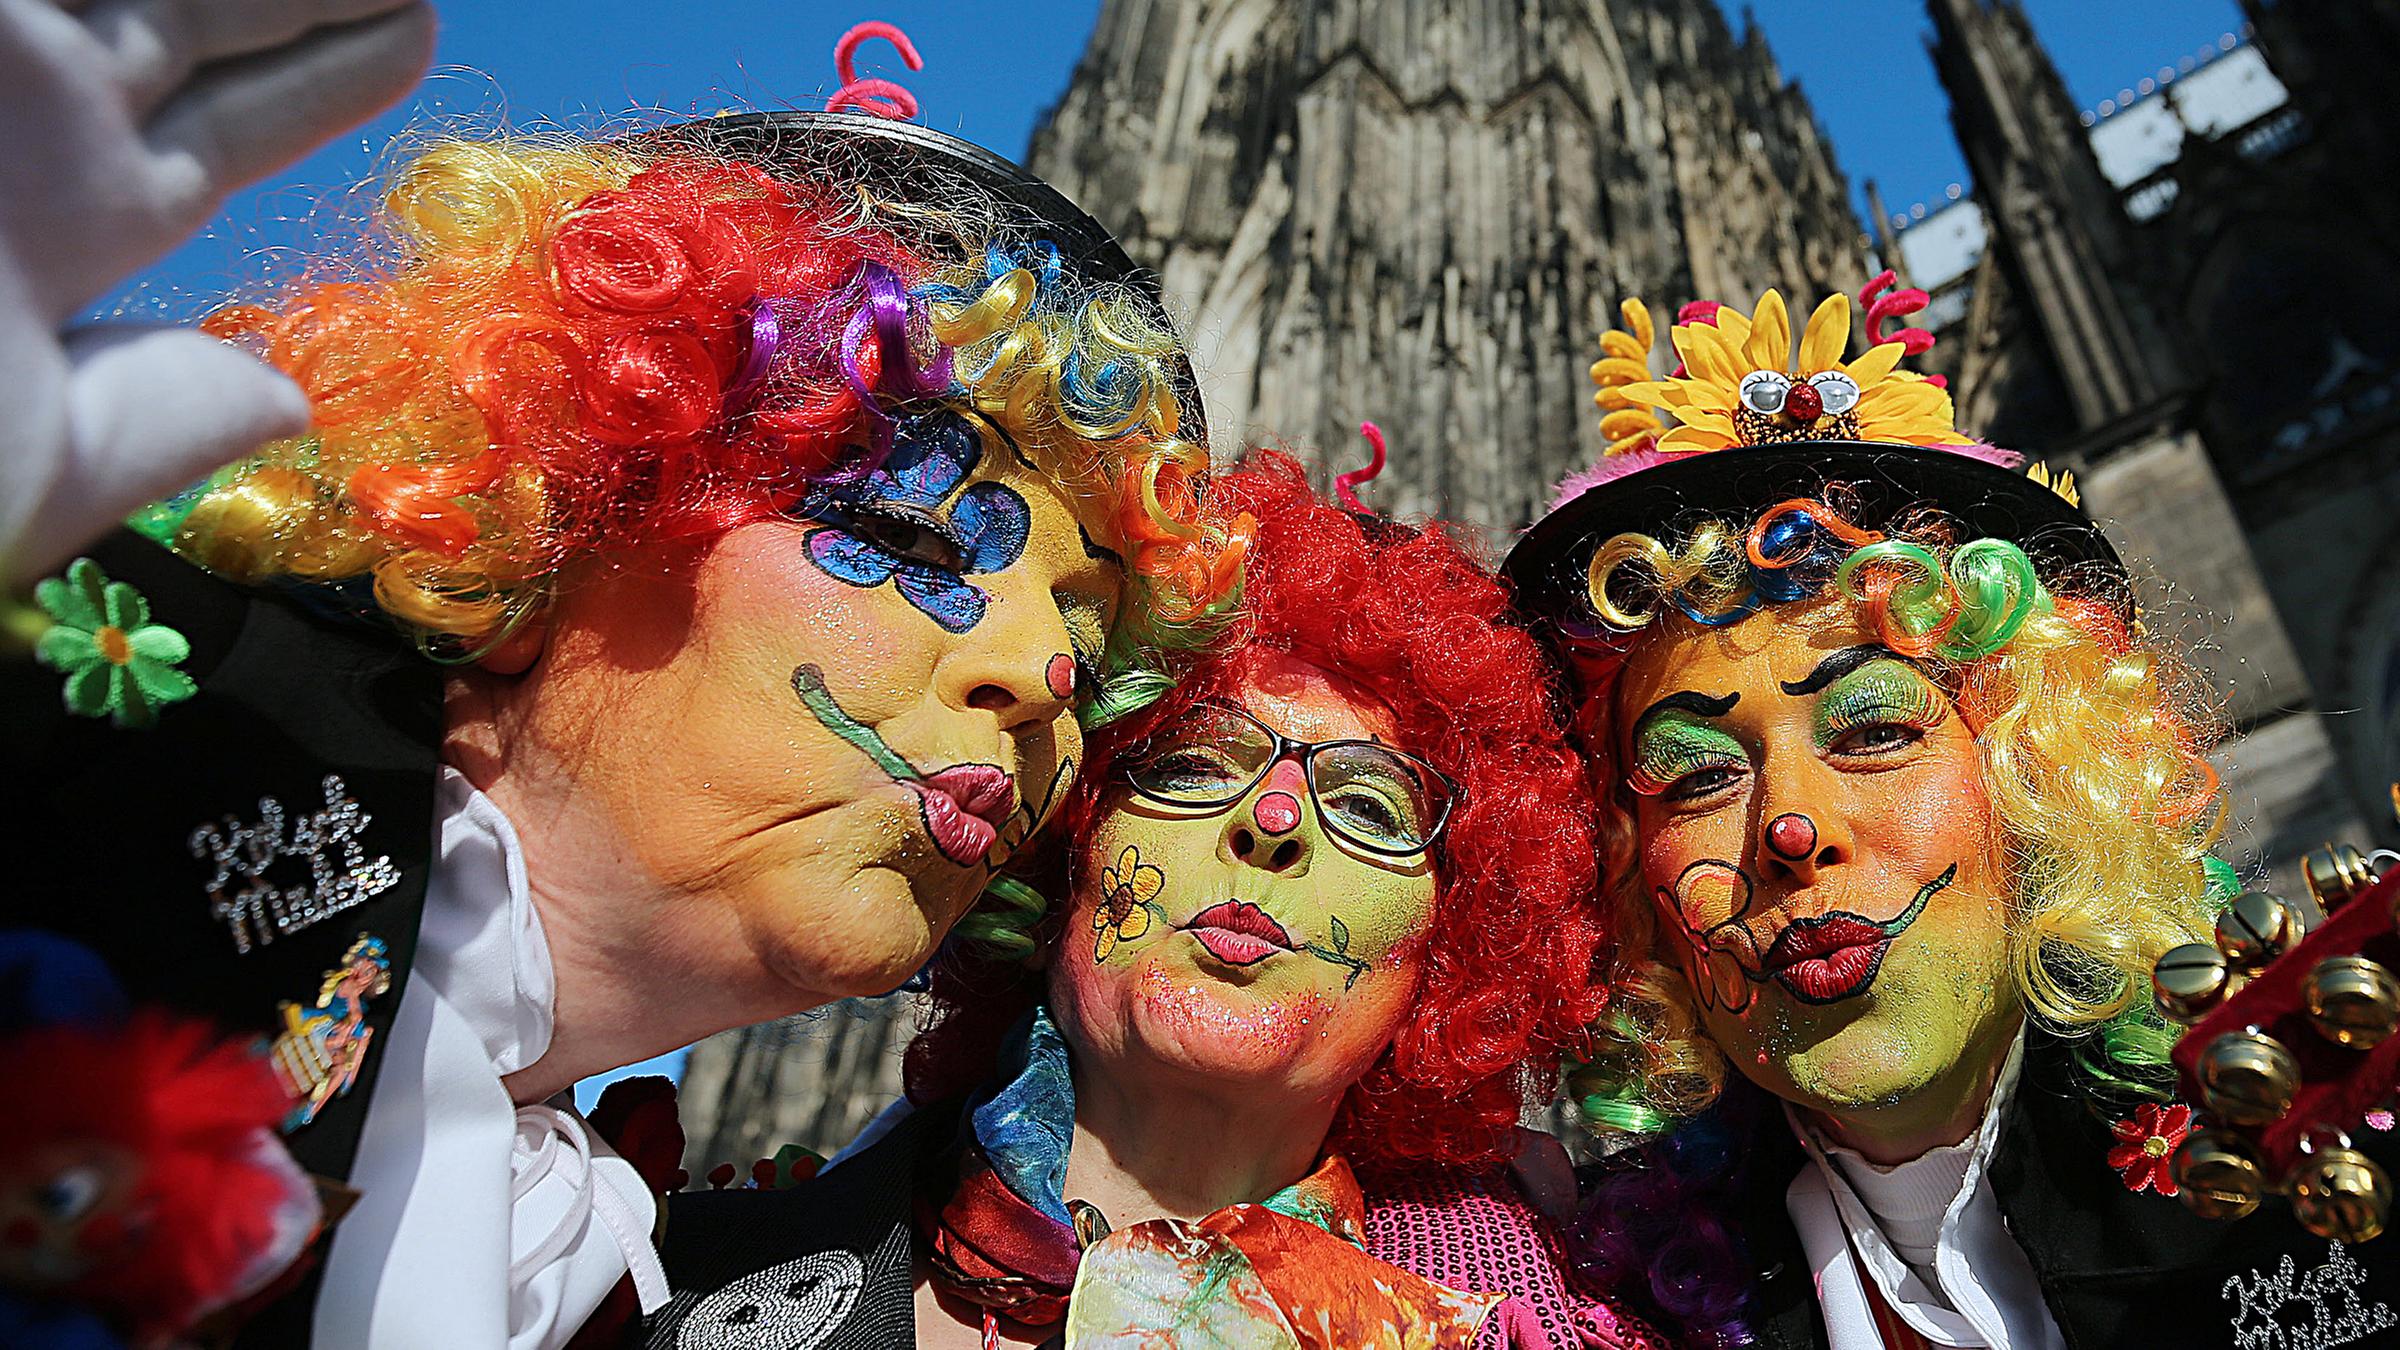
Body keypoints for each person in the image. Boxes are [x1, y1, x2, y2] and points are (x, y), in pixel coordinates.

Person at [0, 15, 1242, 1344]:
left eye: (1088, 651)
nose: (1039, 677)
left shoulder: (583, 1255)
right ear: (562, 505)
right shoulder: (128, 766)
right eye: (910, 537)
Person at [1502, 283, 2400, 1349]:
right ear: (1620, 875)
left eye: (1875, 729)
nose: (1792, 828)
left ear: (2036, 780)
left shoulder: (2321, 1159)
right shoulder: (1598, 1308)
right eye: (1697, 776)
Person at [648, 450, 1657, 1349]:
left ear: (1453, 945)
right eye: (1192, 766)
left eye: (1367, 804)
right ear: (1058, 847)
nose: (1274, 817)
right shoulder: (665, 1291)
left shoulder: (1536, 1322)